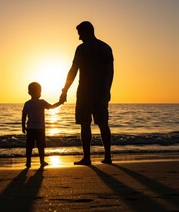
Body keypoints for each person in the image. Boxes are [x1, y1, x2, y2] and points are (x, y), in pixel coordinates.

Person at [60, 21, 114, 165]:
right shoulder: (105, 48)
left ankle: (87, 158)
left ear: (86, 32)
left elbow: (73, 71)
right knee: (103, 123)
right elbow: (110, 72)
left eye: (80, 34)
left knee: (85, 124)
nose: (79, 38)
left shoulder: (82, 49)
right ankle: (108, 156)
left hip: (85, 91)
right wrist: (108, 89)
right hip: (102, 90)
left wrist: (64, 90)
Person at [22, 82, 63, 168]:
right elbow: (51, 107)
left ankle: (28, 162)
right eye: (39, 91)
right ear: (39, 92)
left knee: (29, 146)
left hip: (30, 128)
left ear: (29, 92)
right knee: (41, 146)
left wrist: (23, 126)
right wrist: (60, 102)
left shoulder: (27, 103)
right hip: (40, 128)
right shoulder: (42, 102)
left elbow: (24, 115)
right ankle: (42, 161)